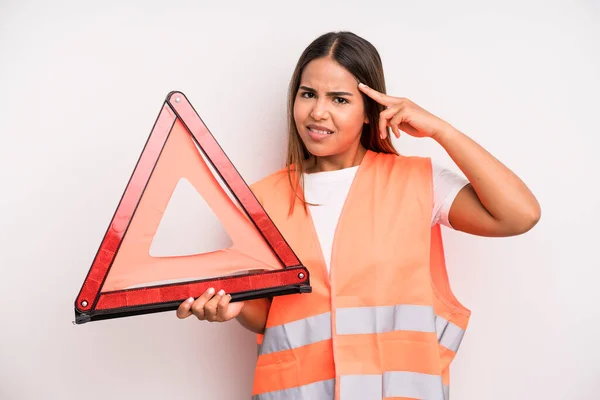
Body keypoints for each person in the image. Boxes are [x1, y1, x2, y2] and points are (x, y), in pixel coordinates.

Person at [176, 31, 540, 399]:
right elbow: (271, 315)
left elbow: (519, 214)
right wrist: (233, 308)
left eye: (339, 99)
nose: (318, 111)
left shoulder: (417, 182)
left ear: (370, 112)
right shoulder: (261, 200)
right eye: (308, 94)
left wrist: (439, 130)